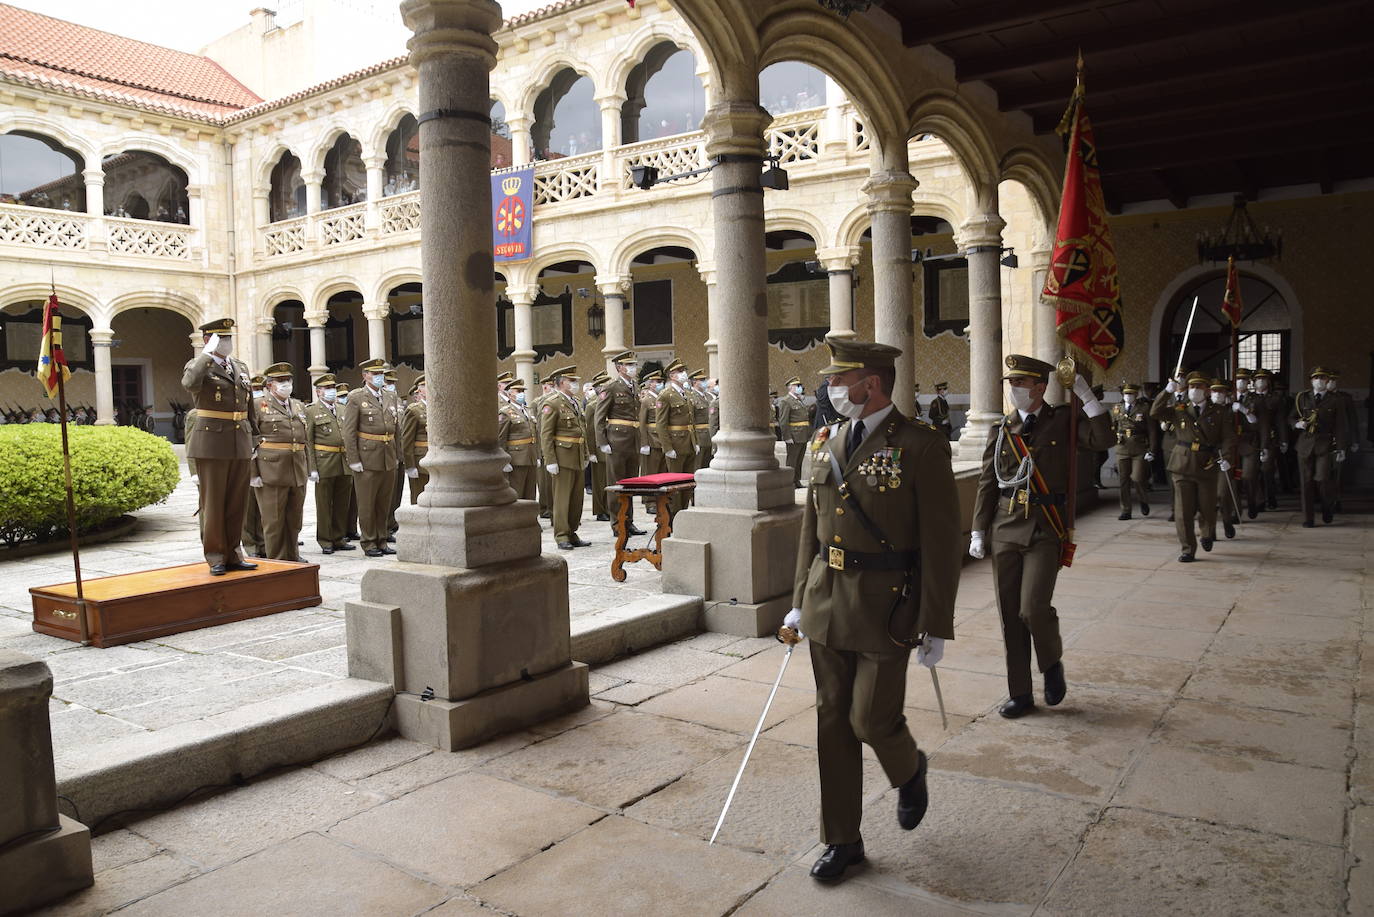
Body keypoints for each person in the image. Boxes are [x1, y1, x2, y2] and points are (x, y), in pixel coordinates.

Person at [785, 336, 961, 883]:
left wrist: (936, 621)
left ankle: (909, 768)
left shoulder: (922, 445)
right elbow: (810, 534)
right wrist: (796, 604)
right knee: (831, 723)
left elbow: (941, 541)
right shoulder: (825, 440)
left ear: (873, 383)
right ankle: (843, 839)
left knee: (869, 719)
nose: (831, 389)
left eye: (840, 380)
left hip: (888, 605)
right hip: (825, 599)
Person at [970, 355, 1112, 717]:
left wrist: (1085, 394)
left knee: (1032, 608)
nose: (1013, 389)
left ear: (1039, 386)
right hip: (1005, 528)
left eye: (1020, 383)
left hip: (1045, 528)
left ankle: (1051, 665)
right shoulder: (1002, 429)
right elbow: (988, 482)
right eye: (1010, 383)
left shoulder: (1063, 420)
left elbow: (1101, 438)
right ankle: (1020, 693)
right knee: (1009, 616)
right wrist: (977, 529)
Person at [181, 317, 258, 576]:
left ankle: (234, 553)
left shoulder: (240, 366)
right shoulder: (198, 365)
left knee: (238, 501)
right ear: (208, 339)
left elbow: (249, 406)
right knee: (213, 503)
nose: (227, 343)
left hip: (240, 440)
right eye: (221, 338)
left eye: (228, 338)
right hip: (212, 442)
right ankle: (215, 556)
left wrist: (255, 437)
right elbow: (189, 383)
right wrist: (206, 354)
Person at [1151, 370, 1236, 561]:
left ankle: (1207, 533)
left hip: (1207, 464)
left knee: (1207, 508)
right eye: (1191, 386)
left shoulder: (1219, 412)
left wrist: (1227, 457)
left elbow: (1229, 437)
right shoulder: (1179, 409)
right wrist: (1166, 391)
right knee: (1182, 512)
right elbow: (1155, 412)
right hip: (1182, 464)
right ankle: (1188, 548)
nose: (1194, 390)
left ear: (1207, 390)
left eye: (1198, 386)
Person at [342, 358, 400, 557]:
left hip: (387, 455)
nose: (379, 377)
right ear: (365, 376)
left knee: (384, 502)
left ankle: (382, 539)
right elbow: (349, 431)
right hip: (367, 457)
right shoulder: (357, 397)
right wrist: (354, 459)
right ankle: (369, 542)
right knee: (367, 503)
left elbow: (396, 428)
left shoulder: (390, 396)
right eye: (375, 374)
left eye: (381, 374)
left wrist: (397, 454)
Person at [252, 362, 308, 562]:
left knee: (294, 519)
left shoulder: (298, 405)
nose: (286, 384)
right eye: (281, 381)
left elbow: (304, 438)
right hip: (271, 471)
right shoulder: (258, 405)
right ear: (270, 385)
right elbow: (250, 440)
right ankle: (277, 560)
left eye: (288, 380)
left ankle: (293, 555)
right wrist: (253, 474)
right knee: (274, 521)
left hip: (296, 469)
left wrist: (308, 467)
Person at [592, 350, 645, 535]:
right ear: (619, 367)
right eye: (629, 365)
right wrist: (602, 441)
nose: (633, 368)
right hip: (616, 440)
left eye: (634, 364)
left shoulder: (635, 387)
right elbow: (599, 417)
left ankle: (629, 521)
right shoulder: (611, 387)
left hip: (633, 440)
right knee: (617, 483)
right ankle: (617, 523)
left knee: (630, 483)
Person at [539, 365, 591, 550]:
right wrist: (550, 460)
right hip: (562, 457)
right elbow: (546, 434)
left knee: (577, 498)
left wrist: (585, 454)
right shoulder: (552, 403)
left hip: (576, 455)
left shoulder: (575, 402)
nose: (576, 384)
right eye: (572, 381)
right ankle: (561, 535)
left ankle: (572, 531)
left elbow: (582, 431)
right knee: (562, 498)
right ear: (562, 383)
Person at [1290, 367, 1348, 527]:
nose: (1319, 381)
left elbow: (1340, 425)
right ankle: (1308, 518)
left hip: (1325, 444)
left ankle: (1326, 506)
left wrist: (1341, 448)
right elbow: (1291, 417)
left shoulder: (1336, 400)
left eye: (1323, 378)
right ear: (1311, 380)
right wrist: (1297, 423)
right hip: (1304, 445)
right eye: (1316, 378)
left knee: (1322, 479)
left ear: (1327, 381)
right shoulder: (1302, 397)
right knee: (1306, 482)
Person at [304, 373, 354, 555]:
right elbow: (308, 441)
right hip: (324, 462)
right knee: (325, 504)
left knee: (342, 503)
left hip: (343, 462)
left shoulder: (342, 408)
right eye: (327, 389)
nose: (332, 391)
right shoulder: (311, 411)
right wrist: (312, 468)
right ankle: (325, 539)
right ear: (318, 392)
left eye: (332, 388)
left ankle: (339, 537)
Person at [655, 360, 698, 517]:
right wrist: (668, 448)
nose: (683, 374)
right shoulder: (665, 395)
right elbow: (661, 424)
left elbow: (691, 420)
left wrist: (696, 442)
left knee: (687, 483)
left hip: (689, 442)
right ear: (672, 375)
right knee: (675, 483)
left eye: (683, 370)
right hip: (675, 444)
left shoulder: (686, 394)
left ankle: (684, 512)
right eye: (680, 371)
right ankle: (673, 516)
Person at [1110, 383, 1154, 520]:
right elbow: (1113, 426)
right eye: (1126, 394)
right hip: (1122, 448)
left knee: (1138, 478)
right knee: (1123, 480)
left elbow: (1152, 431)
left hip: (1139, 448)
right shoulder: (1117, 408)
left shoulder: (1144, 408)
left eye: (1131, 394)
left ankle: (1143, 500)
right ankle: (1126, 509)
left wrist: (1151, 450)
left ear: (1136, 394)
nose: (1128, 396)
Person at [1250, 369, 1284, 510]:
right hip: (1252, 438)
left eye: (1264, 379)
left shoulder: (1275, 398)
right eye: (1258, 379)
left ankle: (1271, 497)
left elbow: (1280, 421)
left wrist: (1283, 439)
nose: (1261, 381)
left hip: (1269, 437)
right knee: (1254, 470)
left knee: (1267, 469)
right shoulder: (1250, 398)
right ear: (1253, 382)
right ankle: (1259, 500)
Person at [499, 378, 539, 499]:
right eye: (518, 391)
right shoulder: (506, 412)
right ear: (510, 394)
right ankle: (516, 517)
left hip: (530, 456)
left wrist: (537, 455)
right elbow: (501, 438)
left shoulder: (528, 410)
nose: (522, 394)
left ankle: (529, 517)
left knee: (530, 492)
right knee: (517, 492)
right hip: (516, 458)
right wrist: (504, 460)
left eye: (523, 391)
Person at [776, 376, 813, 488]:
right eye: (797, 386)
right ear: (791, 387)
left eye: (799, 386)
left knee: (799, 460)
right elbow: (783, 421)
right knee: (792, 461)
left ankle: (797, 481)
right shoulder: (786, 401)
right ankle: (789, 482)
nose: (799, 388)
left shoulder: (799, 400)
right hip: (794, 435)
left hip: (802, 435)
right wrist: (787, 437)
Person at [584, 375, 610, 521]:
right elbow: (589, 429)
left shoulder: (608, 402)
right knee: (599, 482)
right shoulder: (592, 405)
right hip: (598, 448)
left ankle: (609, 507)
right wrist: (591, 451)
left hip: (611, 445)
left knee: (609, 480)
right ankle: (600, 510)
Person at [401, 374, 429, 503]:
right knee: (419, 499)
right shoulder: (414, 410)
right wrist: (410, 466)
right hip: (420, 460)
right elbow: (407, 440)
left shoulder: (436, 408)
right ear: (419, 390)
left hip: (434, 457)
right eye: (425, 386)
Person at [689, 369, 713, 469]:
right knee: (698, 465)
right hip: (699, 435)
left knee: (709, 464)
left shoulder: (709, 396)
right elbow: (691, 419)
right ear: (695, 382)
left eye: (705, 379)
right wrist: (695, 441)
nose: (705, 382)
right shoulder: (691, 397)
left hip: (710, 435)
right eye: (701, 380)